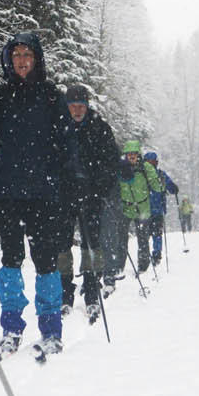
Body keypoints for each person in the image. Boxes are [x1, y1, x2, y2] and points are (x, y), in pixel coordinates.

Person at [0, 32, 80, 357]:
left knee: (46, 261)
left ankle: (50, 330)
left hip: (44, 193)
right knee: (11, 260)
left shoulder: (51, 97)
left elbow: (66, 143)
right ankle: (11, 328)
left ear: (36, 60)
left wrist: (71, 177)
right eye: (16, 54)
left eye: (27, 54)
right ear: (9, 60)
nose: (21, 60)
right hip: (8, 193)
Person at [63, 83, 123, 319]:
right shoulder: (59, 127)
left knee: (92, 244)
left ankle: (91, 288)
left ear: (87, 106)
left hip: (92, 196)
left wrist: (98, 189)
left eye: (81, 106)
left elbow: (111, 162)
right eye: (73, 106)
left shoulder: (100, 128)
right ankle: (65, 291)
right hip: (64, 196)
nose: (77, 111)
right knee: (61, 245)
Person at [117, 140, 159, 273]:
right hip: (126, 208)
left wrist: (160, 182)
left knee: (143, 238)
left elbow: (156, 185)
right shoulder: (120, 168)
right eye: (129, 154)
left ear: (138, 154)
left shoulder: (145, 167)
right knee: (121, 238)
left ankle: (143, 265)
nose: (132, 156)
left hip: (143, 208)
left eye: (134, 154)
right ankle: (119, 265)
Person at [142, 149, 180, 266]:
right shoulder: (160, 174)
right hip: (155, 209)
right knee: (156, 233)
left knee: (146, 234)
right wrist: (174, 189)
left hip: (146, 210)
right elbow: (171, 187)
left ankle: (147, 255)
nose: (153, 163)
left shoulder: (142, 175)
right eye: (152, 161)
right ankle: (155, 254)